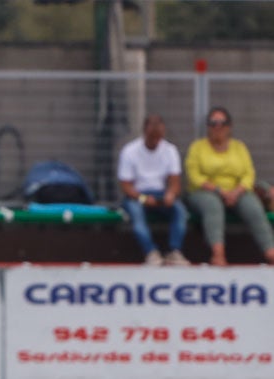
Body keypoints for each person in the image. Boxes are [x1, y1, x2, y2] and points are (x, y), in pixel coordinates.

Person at [184, 106, 274, 266]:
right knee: (213, 205)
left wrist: (236, 192)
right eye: (213, 123)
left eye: (222, 122)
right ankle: (218, 254)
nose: (218, 127)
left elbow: (248, 174)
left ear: (229, 126)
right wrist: (220, 191)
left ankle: (270, 251)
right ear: (208, 126)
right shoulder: (197, 147)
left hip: (236, 192)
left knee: (252, 206)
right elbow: (195, 177)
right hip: (204, 192)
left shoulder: (239, 147)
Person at [117, 114, 189, 266]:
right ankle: (151, 252)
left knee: (180, 211)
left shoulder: (170, 150)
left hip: (161, 194)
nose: (156, 140)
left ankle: (174, 251)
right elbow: (125, 185)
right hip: (137, 196)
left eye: (159, 136)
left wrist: (170, 194)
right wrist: (143, 198)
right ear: (144, 132)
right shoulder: (130, 151)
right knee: (137, 216)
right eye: (152, 136)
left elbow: (175, 181)